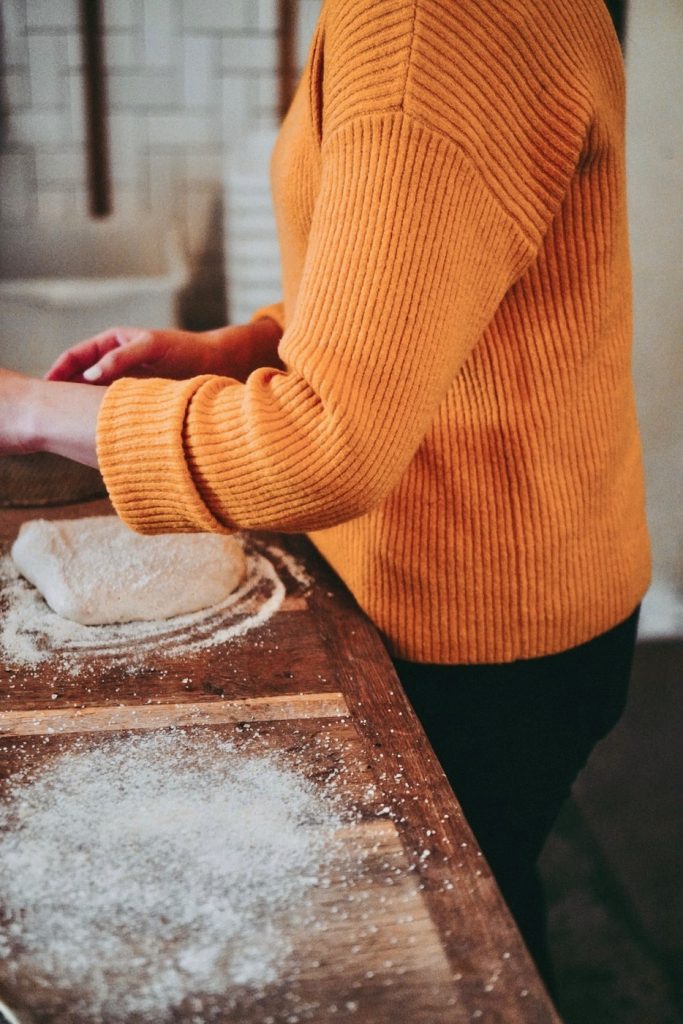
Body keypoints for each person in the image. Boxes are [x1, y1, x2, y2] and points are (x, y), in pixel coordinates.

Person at [0, 0, 650, 992]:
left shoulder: (436, 22)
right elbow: (413, 279)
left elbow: (325, 446)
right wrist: (242, 346)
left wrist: (30, 412)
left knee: (457, 949)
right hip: (502, 583)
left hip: (480, 625)